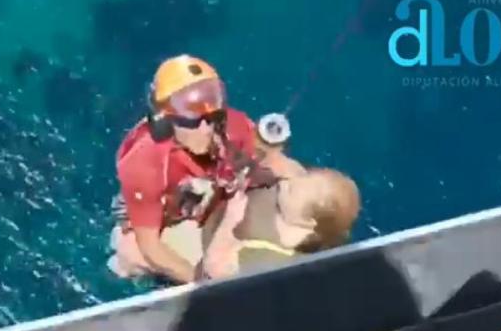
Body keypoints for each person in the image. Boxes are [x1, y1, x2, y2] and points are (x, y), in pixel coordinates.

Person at [107, 54, 264, 285]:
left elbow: (267, 168)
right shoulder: (144, 160)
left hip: (209, 205)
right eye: (190, 120)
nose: (205, 128)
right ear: (163, 120)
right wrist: (202, 285)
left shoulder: (234, 128)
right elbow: (150, 245)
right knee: (130, 257)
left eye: (211, 116)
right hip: (163, 215)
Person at [200, 165, 361, 280]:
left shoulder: (266, 262)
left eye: (278, 205)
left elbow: (214, 270)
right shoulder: (296, 192)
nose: (280, 184)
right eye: (279, 186)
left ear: (304, 227)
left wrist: (229, 223)